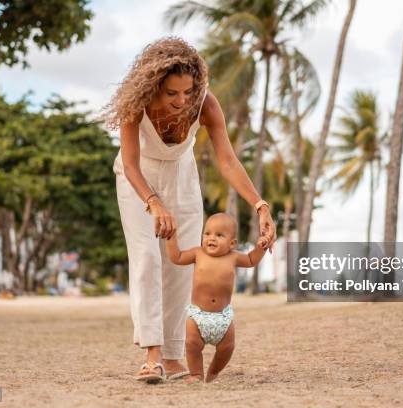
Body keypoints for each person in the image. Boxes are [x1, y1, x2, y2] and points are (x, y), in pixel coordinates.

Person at [102, 37, 276, 383]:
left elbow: (226, 159)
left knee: (180, 266)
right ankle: (151, 354)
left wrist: (260, 205)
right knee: (147, 258)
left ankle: (173, 354)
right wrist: (153, 203)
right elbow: (132, 165)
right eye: (172, 93)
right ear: (154, 86)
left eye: (188, 91)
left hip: (182, 176)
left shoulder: (205, 104)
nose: (182, 100)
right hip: (138, 179)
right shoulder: (135, 105)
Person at [166, 213, 267, 383]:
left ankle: (214, 371)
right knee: (192, 344)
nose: (211, 238)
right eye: (207, 233)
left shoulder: (233, 257)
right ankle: (197, 373)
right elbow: (177, 257)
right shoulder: (197, 254)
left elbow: (251, 260)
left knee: (227, 348)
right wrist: (171, 238)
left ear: (232, 243)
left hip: (223, 317)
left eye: (219, 235)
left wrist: (261, 248)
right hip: (198, 315)